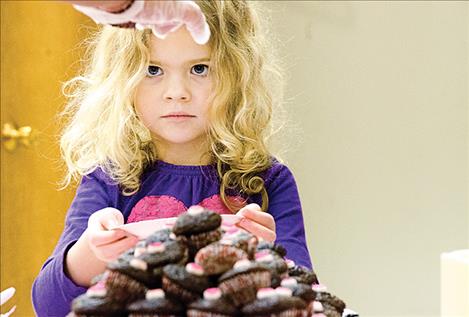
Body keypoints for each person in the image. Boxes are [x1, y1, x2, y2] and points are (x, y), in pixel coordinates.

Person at [32, 1, 312, 316]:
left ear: (237, 73)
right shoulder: (109, 178)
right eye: (153, 70)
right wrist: (91, 254)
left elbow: (304, 300)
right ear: (123, 77)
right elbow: (48, 307)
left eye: (200, 69)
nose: (176, 92)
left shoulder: (269, 182)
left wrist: (269, 259)